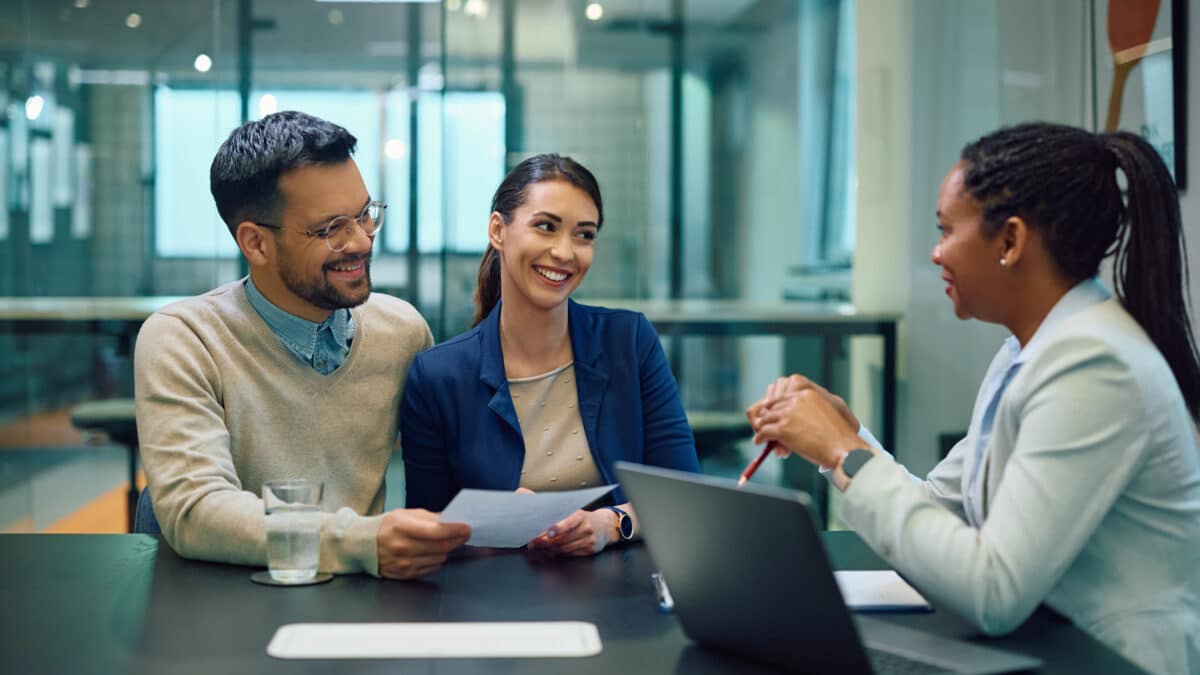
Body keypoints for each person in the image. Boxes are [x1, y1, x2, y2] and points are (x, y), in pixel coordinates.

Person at [748, 122, 1200, 675]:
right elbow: (938, 510)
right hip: (1051, 648)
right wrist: (841, 439)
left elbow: (994, 590)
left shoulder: (1095, 365)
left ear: (1010, 241)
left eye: (944, 231)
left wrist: (846, 454)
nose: (936, 253)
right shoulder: (1029, 350)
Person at [134, 111, 469, 579]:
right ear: (255, 243)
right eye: (331, 228)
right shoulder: (185, 339)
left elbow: (450, 470)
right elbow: (195, 511)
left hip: (356, 602)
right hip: (222, 604)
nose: (361, 241)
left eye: (365, 215)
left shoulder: (402, 332)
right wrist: (362, 542)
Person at [401, 153, 700, 556]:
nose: (565, 252)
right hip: (493, 601)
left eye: (584, 235)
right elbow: (422, 534)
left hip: (621, 595)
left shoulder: (628, 341)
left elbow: (683, 497)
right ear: (498, 231)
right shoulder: (437, 375)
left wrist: (608, 524)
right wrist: (501, 522)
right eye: (546, 227)